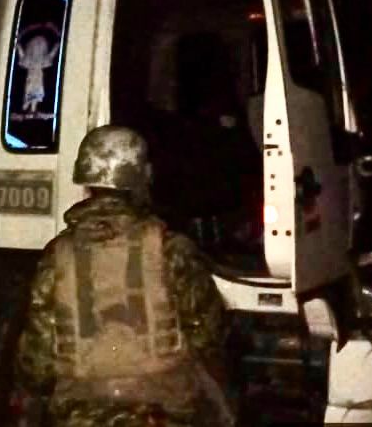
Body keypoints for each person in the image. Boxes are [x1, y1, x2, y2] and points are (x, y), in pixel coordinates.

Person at [14, 125, 233, 427]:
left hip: (80, 416)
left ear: (86, 184)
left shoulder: (57, 255)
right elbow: (208, 335)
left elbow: (36, 361)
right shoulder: (171, 249)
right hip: (162, 414)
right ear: (143, 178)